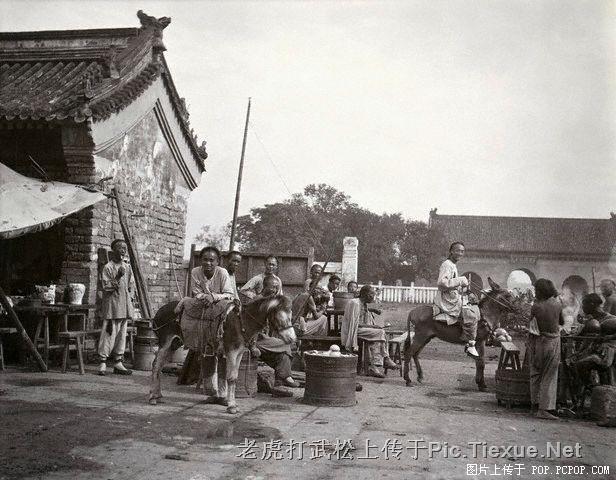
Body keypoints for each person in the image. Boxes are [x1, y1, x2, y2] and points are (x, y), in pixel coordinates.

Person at [191, 246, 236, 405]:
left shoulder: (222, 273)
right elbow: (196, 292)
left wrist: (214, 297)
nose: (208, 263)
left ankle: (223, 394)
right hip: (204, 307)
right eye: (205, 259)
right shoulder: (195, 272)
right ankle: (211, 392)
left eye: (212, 260)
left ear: (217, 262)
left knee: (222, 353)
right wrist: (205, 297)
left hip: (223, 308)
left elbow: (229, 294)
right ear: (200, 260)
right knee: (206, 350)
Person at [252, 275, 300, 390]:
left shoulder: (271, 302)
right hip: (254, 338)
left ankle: (279, 382)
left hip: (264, 337)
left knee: (282, 354)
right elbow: (253, 326)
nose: (274, 290)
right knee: (285, 345)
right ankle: (286, 377)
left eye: (276, 288)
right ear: (264, 286)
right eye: (272, 287)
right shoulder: (258, 301)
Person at [341, 285, 399, 378]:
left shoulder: (362, 303)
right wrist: (373, 326)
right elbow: (355, 324)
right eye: (371, 294)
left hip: (359, 329)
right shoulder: (355, 303)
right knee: (380, 332)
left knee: (378, 336)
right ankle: (384, 359)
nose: (373, 297)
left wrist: (372, 315)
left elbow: (362, 318)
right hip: (352, 331)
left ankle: (375, 366)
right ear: (365, 294)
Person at [433, 242, 479, 358]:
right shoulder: (447, 265)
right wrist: (460, 280)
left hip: (452, 296)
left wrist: (464, 289)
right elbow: (442, 283)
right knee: (471, 315)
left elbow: (452, 284)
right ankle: (470, 344)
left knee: (474, 308)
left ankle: (467, 338)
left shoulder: (453, 265)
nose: (460, 253)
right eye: (457, 250)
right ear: (451, 251)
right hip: (447, 299)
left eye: (462, 251)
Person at [528, 278, 563, 420]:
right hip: (553, 341)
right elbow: (561, 322)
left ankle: (534, 406)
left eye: (536, 290)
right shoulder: (557, 304)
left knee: (535, 373)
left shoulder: (536, 306)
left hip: (538, 342)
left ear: (541, 291)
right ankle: (544, 409)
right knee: (549, 375)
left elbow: (531, 324)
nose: (535, 292)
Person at [98, 239, 134, 376]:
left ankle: (118, 362)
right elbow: (106, 287)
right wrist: (118, 276)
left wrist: (130, 300)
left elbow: (130, 286)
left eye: (125, 248)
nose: (123, 250)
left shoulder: (127, 267)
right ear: (113, 251)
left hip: (124, 306)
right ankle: (102, 362)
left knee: (121, 335)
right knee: (109, 334)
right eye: (120, 248)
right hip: (112, 307)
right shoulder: (108, 267)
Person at [572, 293, 616, 387]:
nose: (583, 308)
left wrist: (609, 338)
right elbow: (579, 337)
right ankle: (592, 388)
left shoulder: (610, 319)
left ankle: (592, 389)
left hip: (608, 355)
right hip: (595, 352)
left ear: (591, 304)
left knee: (582, 365)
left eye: (584, 305)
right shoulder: (591, 321)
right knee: (576, 364)